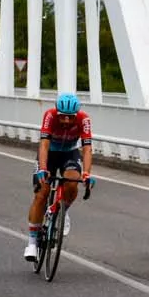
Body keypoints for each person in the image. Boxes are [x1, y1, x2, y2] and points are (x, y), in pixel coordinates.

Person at [25, 92, 94, 261]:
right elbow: (44, 145)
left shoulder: (84, 119)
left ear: (76, 114)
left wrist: (86, 173)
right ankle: (32, 243)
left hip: (69, 153)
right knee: (42, 193)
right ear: (57, 112)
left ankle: (63, 211)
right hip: (50, 154)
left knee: (72, 183)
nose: (67, 121)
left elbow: (87, 149)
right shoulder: (49, 115)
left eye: (71, 117)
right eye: (63, 116)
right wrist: (43, 168)